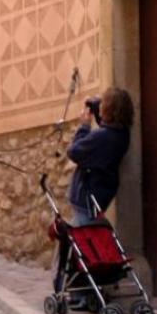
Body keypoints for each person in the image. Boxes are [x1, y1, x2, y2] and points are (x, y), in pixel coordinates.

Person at [53, 87, 134, 296]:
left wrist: (83, 126)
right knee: (89, 242)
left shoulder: (102, 138)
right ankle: (85, 289)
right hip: (100, 195)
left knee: (84, 246)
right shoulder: (121, 134)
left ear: (109, 109)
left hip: (86, 197)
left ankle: (83, 292)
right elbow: (106, 125)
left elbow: (75, 151)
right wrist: (96, 106)